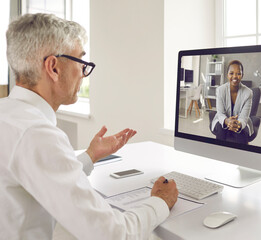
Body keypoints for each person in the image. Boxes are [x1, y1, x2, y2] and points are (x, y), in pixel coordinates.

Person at [0, 13, 178, 239]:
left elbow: (36, 174)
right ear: (53, 67)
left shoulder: (7, 114)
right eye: (82, 63)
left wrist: (90, 155)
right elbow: (113, 234)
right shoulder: (37, 134)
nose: (84, 74)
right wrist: (160, 202)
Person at [211, 60, 254, 144]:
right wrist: (227, 121)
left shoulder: (248, 93)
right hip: (223, 119)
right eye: (231, 73)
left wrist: (238, 124)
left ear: (242, 75)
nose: (235, 76)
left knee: (241, 131)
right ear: (227, 75)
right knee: (221, 127)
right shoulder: (220, 90)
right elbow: (220, 113)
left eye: (238, 73)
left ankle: (241, 155)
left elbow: (244, 117)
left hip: (240, 121)